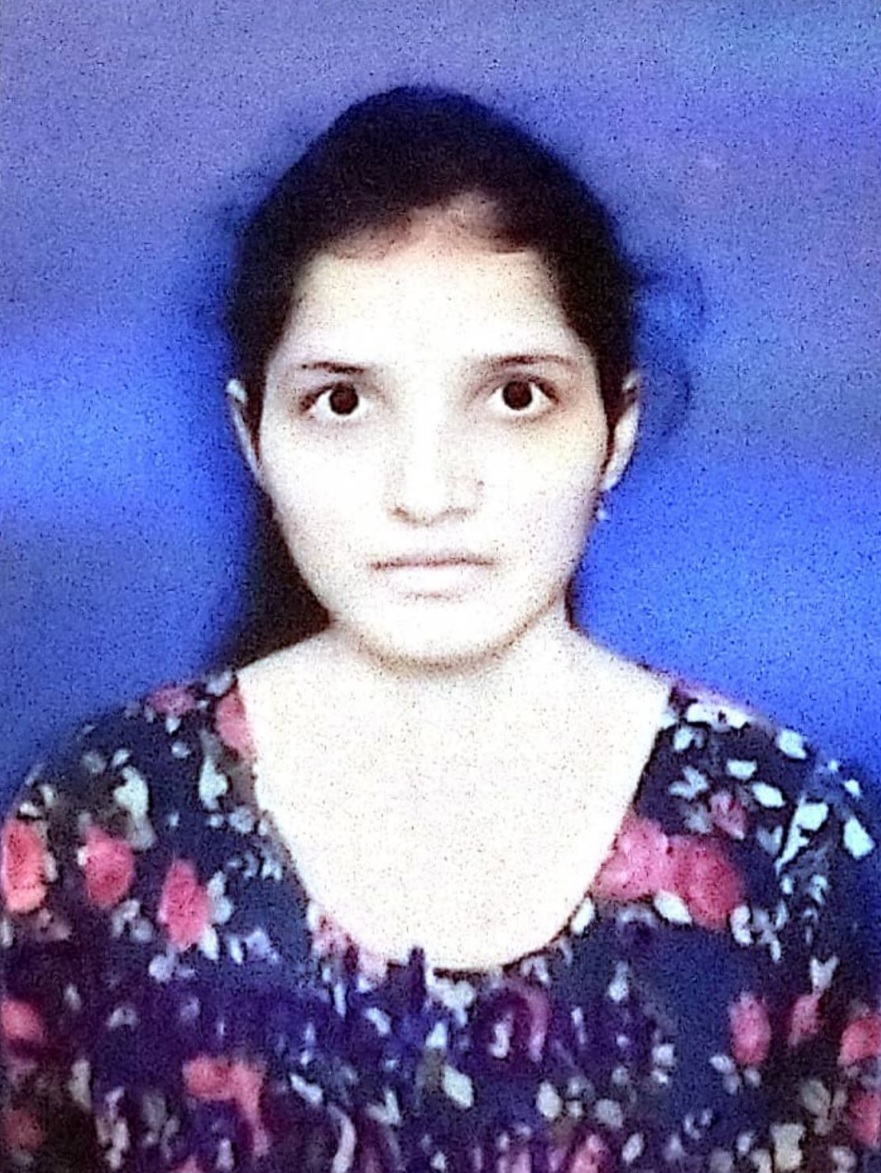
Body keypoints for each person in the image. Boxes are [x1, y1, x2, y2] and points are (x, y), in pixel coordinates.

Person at [1, 87, 879, 1173]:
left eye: (514, 396)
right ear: (253, 435)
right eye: (341, 402)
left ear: (615, 427)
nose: (425, 492)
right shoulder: (104, 821)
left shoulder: (793, 841)